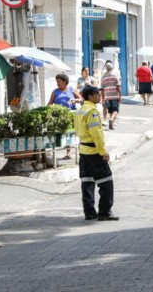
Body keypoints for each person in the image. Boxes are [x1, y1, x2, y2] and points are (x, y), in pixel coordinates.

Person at [74, 86, 119, 221]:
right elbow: (96, 134)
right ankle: (105, 212)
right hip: (94, 152)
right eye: (97, 94)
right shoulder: (92, 111)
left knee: (87, 182)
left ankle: (89, 212)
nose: (99, 96)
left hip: (83, 151)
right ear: (90, 96)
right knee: (106, 182)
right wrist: (103, 151)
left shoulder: (80, 110)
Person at [48, 74, 83, 160]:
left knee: (76, 133)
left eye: (59, 81)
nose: (57, 83)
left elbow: (81, 99)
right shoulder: (55, 92)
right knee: (66, 133)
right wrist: (46, 111)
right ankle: (68, 153)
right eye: (57, 81)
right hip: (61, 117)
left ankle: (81, 152)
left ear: (65, 82)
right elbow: (50, 103)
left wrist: (75, 101)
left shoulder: (71, 90)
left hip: (72, 115)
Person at [100, 62, 121, 130]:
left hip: (107, 97)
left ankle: (112, 124)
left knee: (111, 111)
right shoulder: (114, 76)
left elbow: (102, 89)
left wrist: (103, 98)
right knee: (115, 111)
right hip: (114, 96)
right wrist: (120, 96)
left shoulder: (103, 77)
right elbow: (118, 87)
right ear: (112, 68)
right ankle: (111, 119)